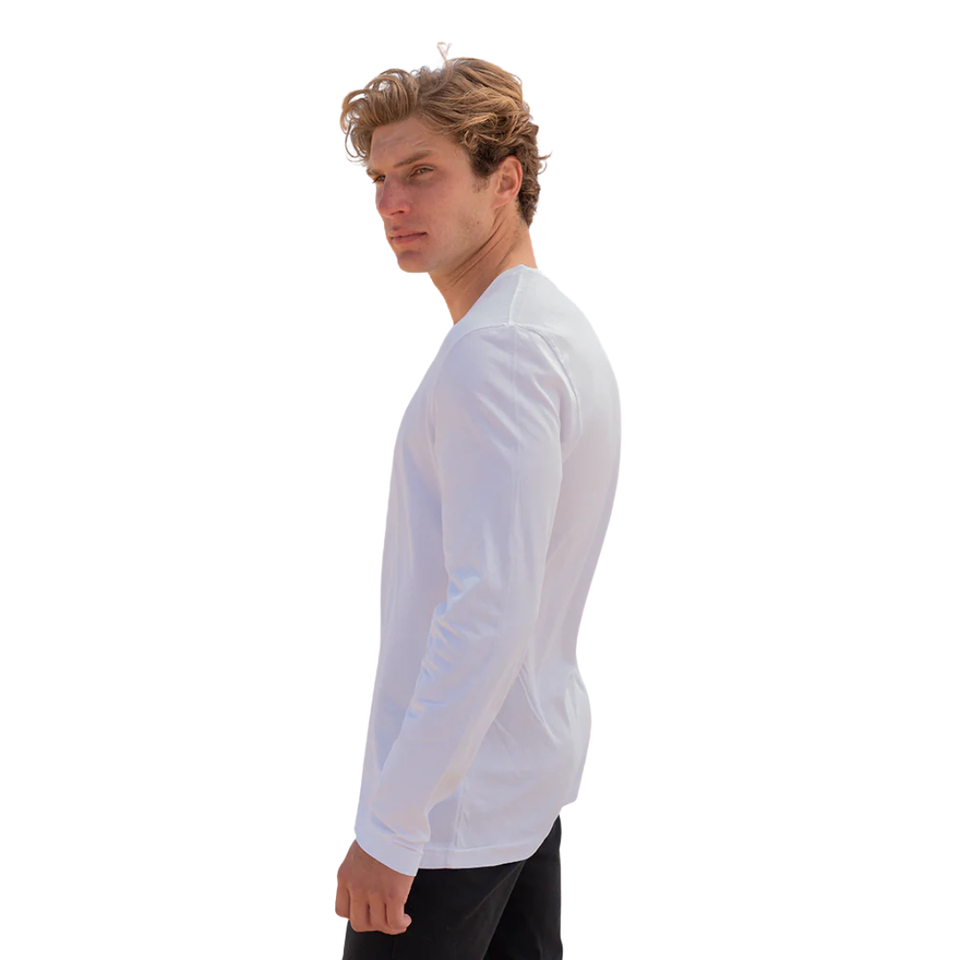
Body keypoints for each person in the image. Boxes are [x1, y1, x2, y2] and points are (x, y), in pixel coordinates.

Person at [335, 44, 621, 959]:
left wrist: (392, 828)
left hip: (451, 826)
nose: (391, 203)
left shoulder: (497, 351)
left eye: (421, 173)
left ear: (506, 181)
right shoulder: (548, 328)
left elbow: (488, 607)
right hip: (515, 791)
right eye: (380, 179)